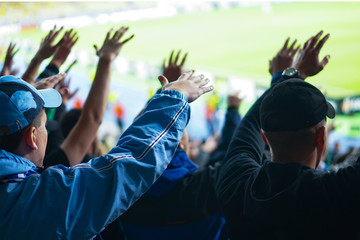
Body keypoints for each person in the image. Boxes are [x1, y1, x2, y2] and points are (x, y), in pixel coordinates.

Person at [0, 63, 213, 240]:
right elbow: (130, 165)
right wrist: (174, 97)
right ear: (32, 138)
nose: (46, 130)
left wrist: (19, 99)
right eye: (44, 126)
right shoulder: (38, 202)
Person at [215, 31, 360, 239]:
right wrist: (294, 72)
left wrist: (293, 74)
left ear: (264, 137)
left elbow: (249, 125)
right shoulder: (339, 193)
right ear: (321, 136)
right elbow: (251, 123)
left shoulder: (235, 184)